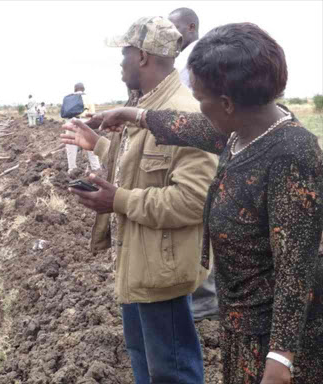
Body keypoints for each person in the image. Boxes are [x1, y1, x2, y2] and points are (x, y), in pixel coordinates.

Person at [86, 22, 323, 384]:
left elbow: (297, 268)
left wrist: (280, 359)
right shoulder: (241, 132)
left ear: (227, 104)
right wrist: (133, 114)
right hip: (240, 324)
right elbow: (188, 126)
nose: (195, 105)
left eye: (200, 98)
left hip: (273, 339)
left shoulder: (292, 156)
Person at [61, 17, 217, 384]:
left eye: (125, 52)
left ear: (144, 57)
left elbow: (195, 201)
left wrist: (118, 200)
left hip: (163, 276)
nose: (121, 61)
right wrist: (96, 144)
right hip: (136, 266)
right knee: (146, 367)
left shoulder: (183, 114)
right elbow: (143, 168)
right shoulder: (143, 106)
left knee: (172, 373)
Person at [168, 7, 219, 322]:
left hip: (203, 142)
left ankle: (205, 300)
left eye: (175, 29)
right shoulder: (187, 60)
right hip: (196, 139)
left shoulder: (201, 59)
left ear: (190, 26)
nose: (171, 37)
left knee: (201, 212)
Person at [64, 83, 101, 174]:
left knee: (71, 147)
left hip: (71, 122)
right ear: (83, 89)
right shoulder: (88, 97)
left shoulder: (69, 98)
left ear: (74, 89)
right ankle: (96, 167)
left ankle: (72, 169)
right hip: (84, 122)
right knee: (91, 146)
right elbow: (92, 114)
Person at [168, 7, 199, 89]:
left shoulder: (196, 56)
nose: (169, 35)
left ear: (191, 27)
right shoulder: (183, 56)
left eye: (174, 28)